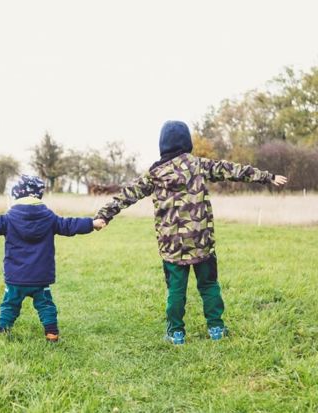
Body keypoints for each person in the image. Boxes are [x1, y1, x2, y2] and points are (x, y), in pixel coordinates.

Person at [94, 120, 287, 345]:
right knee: (208, 285)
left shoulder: (155, 173)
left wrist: (104, 215)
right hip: (202, 241)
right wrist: (267, 177)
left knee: (176, 290)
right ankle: (216, 328)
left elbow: (127, 194)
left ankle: (176, 333)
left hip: (172, 247)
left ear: (163, 144)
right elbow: (231, 170)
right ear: (187, 142)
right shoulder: (198, 165)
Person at [0, 175, 105, 342]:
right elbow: (70, 225)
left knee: (10, 304)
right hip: (40, 277)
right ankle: (52, 333)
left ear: (17, 195)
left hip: (16, 277)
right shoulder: (50, 218)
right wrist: (91, 223)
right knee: (45, 305)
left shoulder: (9, 218)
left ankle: (3, 330)